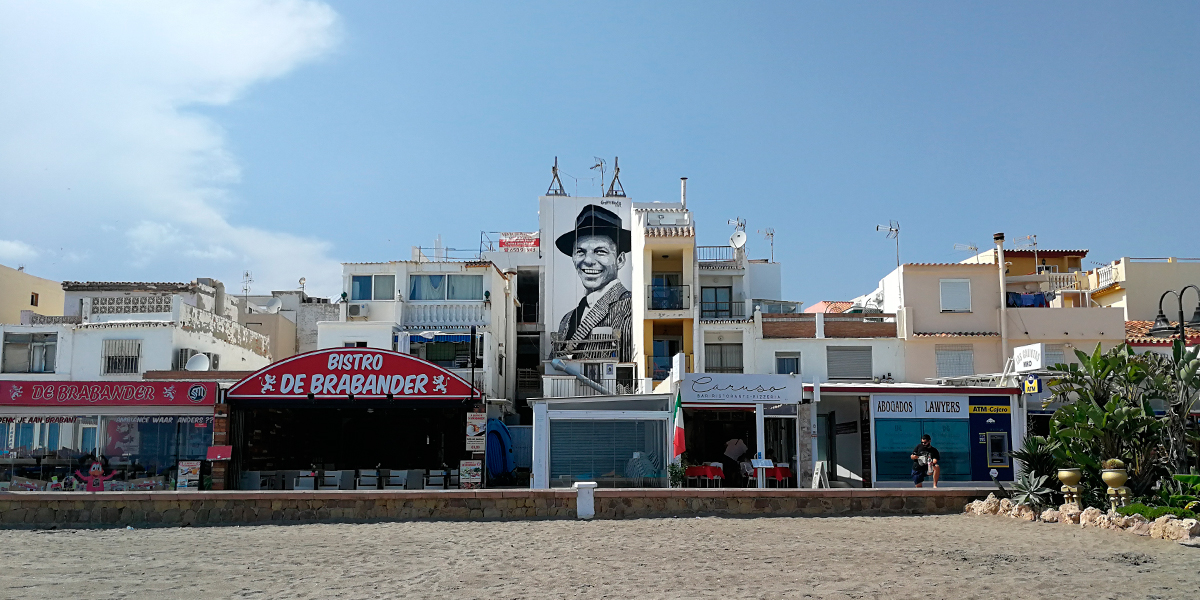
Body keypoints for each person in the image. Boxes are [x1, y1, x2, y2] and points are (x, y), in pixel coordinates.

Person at [555, 204, 633, 362]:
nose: (588, 261)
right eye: (580, 252)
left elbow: (628, 372)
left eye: (600, 252)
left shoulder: (630, 308)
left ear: (620, 259)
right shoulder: (567, 319)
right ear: (573, 258)